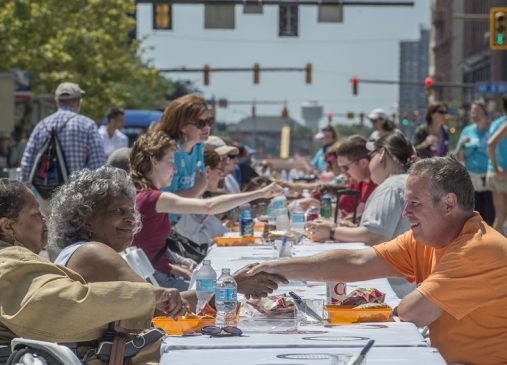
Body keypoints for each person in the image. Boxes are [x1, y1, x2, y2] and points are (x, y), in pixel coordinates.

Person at [248, 156, 507, 365]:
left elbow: (411, 313)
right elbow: (358, 261)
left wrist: (359, 314)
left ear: (449, 204)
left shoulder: (477, 249)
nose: (406, 212)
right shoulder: (430, 238)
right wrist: (278, 268)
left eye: (414, 203)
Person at [0, 179, 183, 364]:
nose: (44, 219)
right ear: (7, 226)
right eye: (35, 213)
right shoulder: (11, 262)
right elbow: (66, 303)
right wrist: (149, 296)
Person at [50, 166, 286, 305]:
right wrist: (233, 284)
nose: (131, 218)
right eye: (118, 211)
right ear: (86, 219)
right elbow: (164, 305)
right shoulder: (94, 253)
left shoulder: (83, 251)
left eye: (131, 211)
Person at [129, 131, 285, 290]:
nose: (175, 170)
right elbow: (209, 207)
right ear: (155, 162)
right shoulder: (154, 198)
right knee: (231, 289)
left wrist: (179, 265)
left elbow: (148, 247)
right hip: (159, 285)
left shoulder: (140, 193)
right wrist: (260, 193)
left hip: (159, 278)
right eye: (170, 162)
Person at [306, 131, 413, 246]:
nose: (369, 162)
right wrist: (355, 229)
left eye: (372, 156)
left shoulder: (391, 187)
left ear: (381, 154)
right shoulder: (408, 182)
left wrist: (331, 232)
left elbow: (375, 236)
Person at [19, 82, 106, 213]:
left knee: (47, 231)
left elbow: (27, 164)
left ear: (57, 102)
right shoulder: (87, 125)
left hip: (45, 196)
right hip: (77, 197)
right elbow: (98, 166)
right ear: (78, 102)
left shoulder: (41, 126)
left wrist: (24, 195)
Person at [153, 94, 210, 199]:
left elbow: (199, 195)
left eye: (209, 121)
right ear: (182, 126)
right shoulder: (167, 152)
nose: (207, 127)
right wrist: (196, 191)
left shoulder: (198, 147)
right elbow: (162, 199)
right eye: (200, 123)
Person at [456, 100, 495, 225]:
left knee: (490, 216)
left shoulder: (493, 130)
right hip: (472, 180)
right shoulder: (467, 131)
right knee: (474, 217)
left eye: (477, 110)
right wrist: (462, 145)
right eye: (472, 111)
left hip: (489, 179)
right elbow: (458, 157)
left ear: (485, 112)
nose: (473, 114)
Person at [333, 135, 377, 220]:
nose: (342, 172)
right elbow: (342, 209)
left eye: (345, 167)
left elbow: (355, 217)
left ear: (363, 163)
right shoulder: (359, 180)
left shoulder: (376, 183)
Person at [487, 94, 507, 234]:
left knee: (500, 217)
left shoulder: (495, 123)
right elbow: (491, 143)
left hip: (494, 174)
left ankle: (494, 254)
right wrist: (496, 167)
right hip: (502, 173)